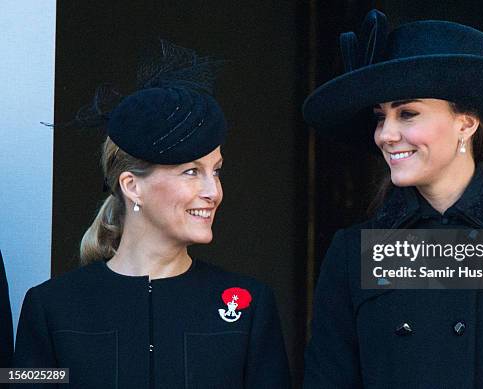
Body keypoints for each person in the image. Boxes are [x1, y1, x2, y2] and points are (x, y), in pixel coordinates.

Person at [302, 10, 483, 388]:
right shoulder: (351, 252)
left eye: (407, 113)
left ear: (466, 123)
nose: (386, 134)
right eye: (380, 117)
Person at [12, 41, 290, 389]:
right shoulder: (50, 307)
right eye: (191, 171)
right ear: (132, 186)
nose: (213, 192)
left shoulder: (249, 305)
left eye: (216, 171)